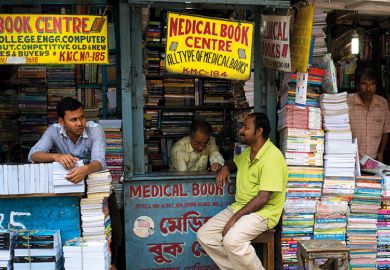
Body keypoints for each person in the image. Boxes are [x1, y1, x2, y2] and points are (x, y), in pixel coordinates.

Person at [28, 97, 122, 270]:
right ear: (62, 122)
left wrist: (85, 170)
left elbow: (99, 161)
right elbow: (33, 155)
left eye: (82, 117)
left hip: (98, 187)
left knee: (112, 230)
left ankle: (112, 263)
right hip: (71, 189)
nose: (80, 123)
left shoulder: (95, 130)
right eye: (74, 120)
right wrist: (56, 156)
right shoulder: (53, 131)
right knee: (78, 229)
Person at [196, 112, 287, 270]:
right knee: (205, 235)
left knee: (232, 240)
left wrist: (235, 219)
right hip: (241, 207)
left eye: (246, 127)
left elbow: (263, 197)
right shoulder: (248, 152)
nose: (241, 131)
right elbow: (235, 163)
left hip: (264, 213)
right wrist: (225, 167)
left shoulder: (272, 157)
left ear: (258, 132)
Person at [347, 68, 390, 162]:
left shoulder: (383, 103)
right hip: (351, 160)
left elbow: (386, 130)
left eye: (372, 84)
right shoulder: (347, 102)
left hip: (374, 161)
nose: (369, 88)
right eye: (364, 84)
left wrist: (380, 153)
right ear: (357, 85)